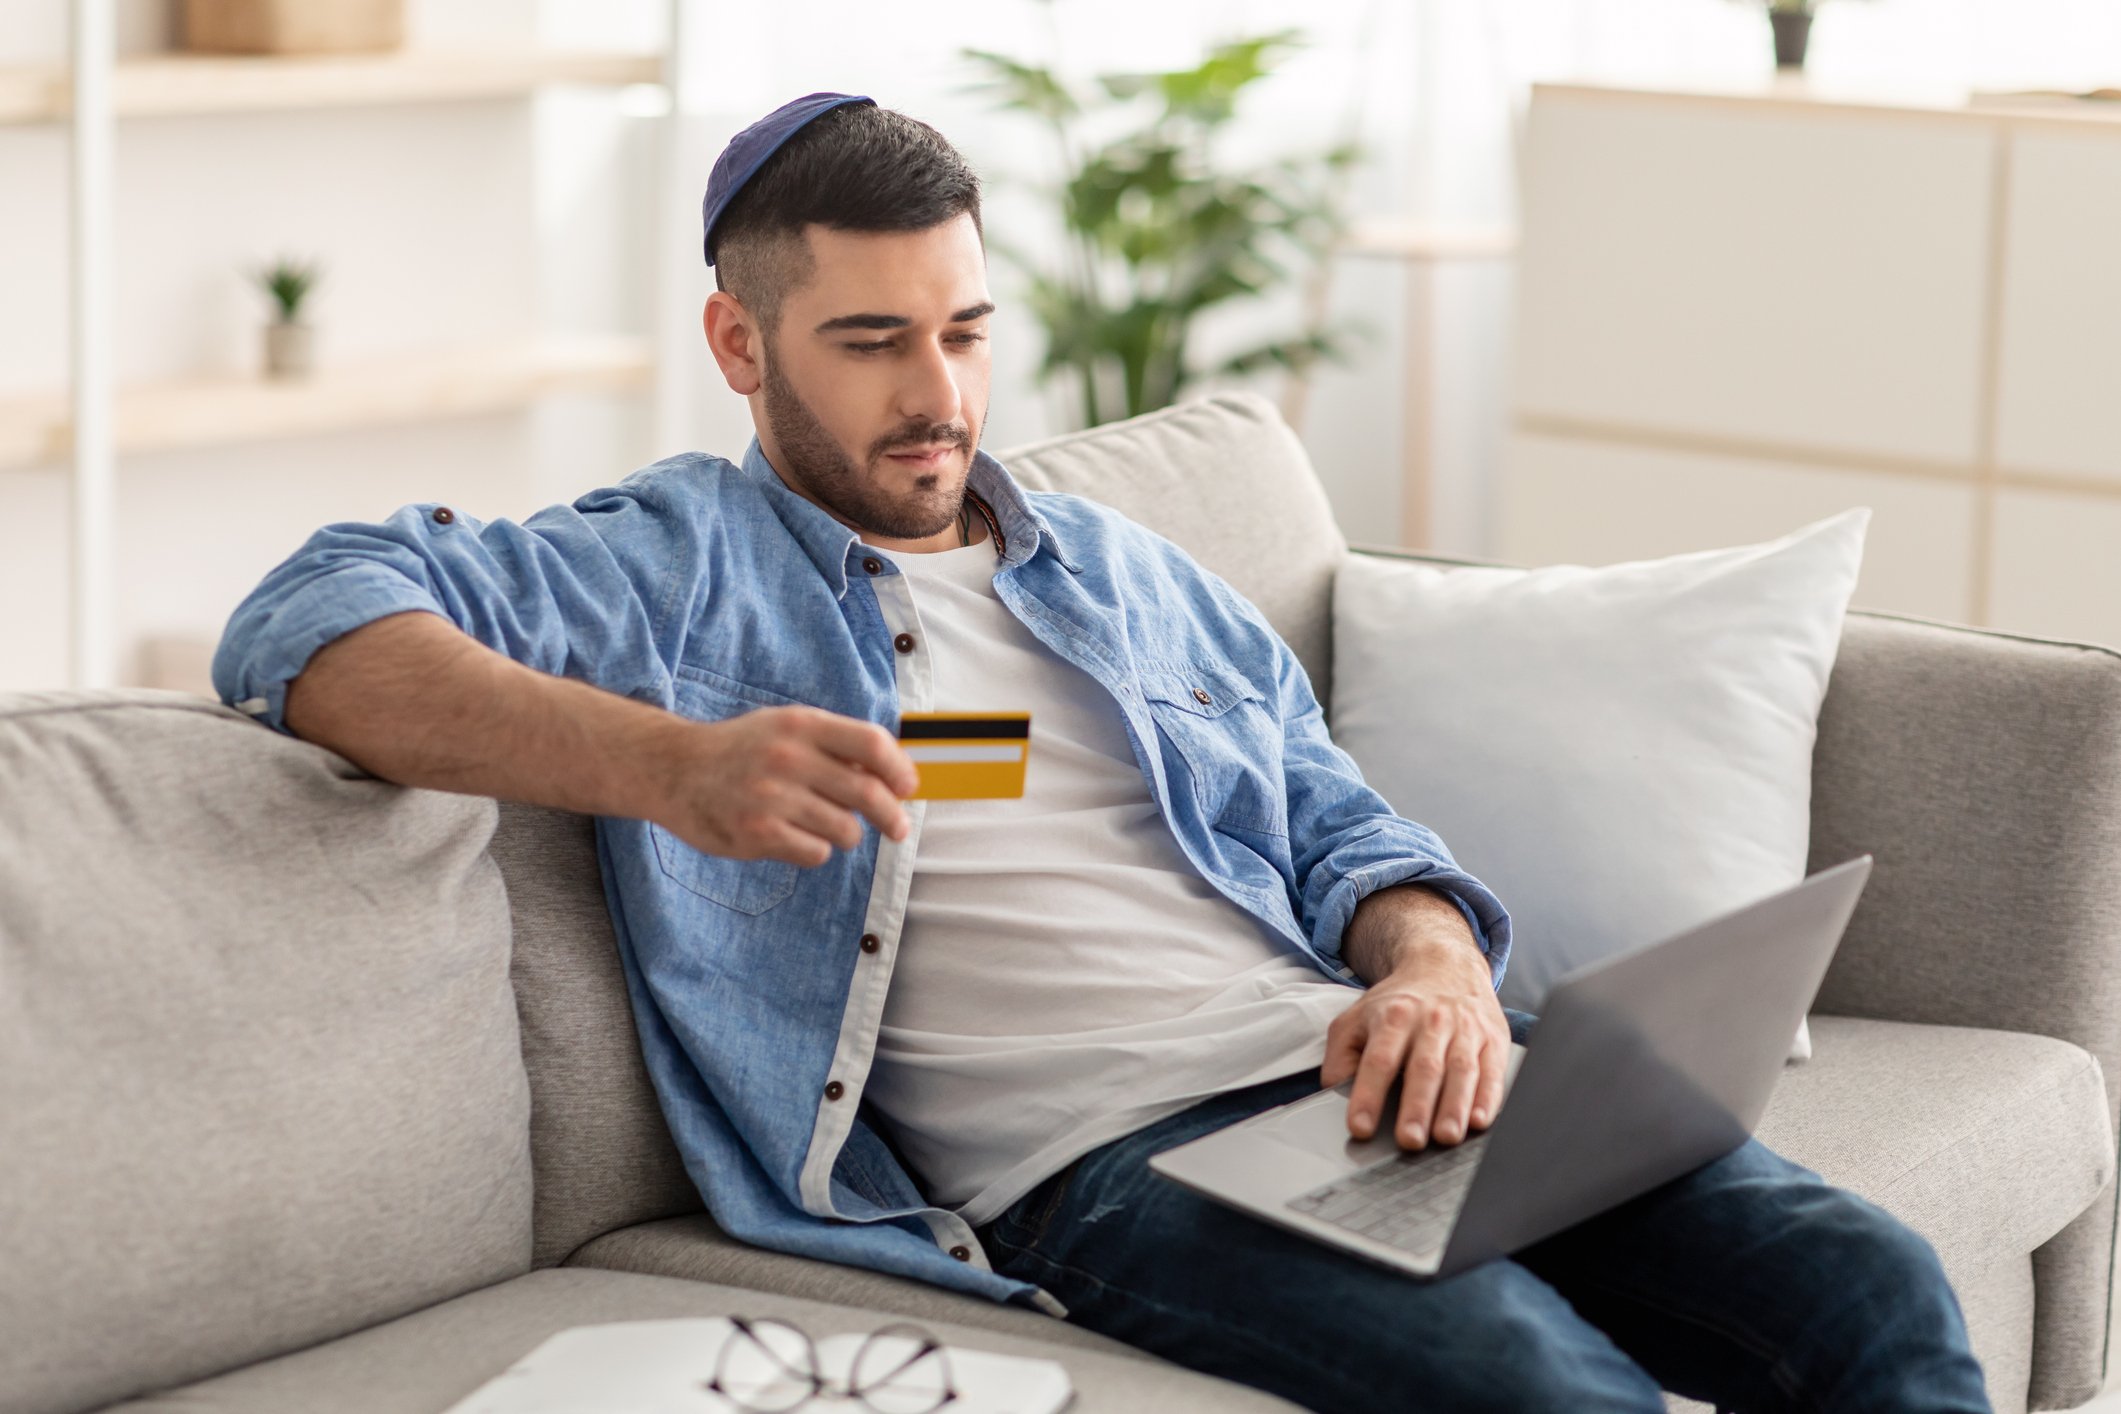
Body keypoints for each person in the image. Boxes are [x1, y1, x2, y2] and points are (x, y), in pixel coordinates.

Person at [212, 94, 1990, 1413]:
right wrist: (669, 766)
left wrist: (1437, 967)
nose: (942, 395)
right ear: (738, 346)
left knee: (1867, 1284)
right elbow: (301, 622)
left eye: (967, 330)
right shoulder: (668, 565)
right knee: (1534, 1386)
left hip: (1373, 1074)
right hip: (1118, 1163)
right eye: (872, 342)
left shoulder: (1128, 576)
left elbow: (1331, 817)